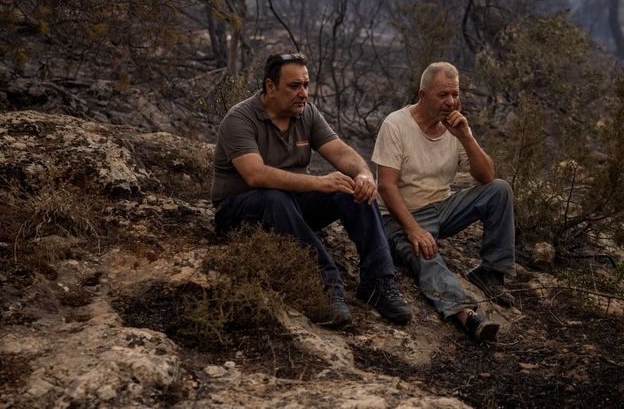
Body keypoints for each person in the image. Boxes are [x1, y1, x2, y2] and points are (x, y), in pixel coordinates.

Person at [211, 50, 412, 328]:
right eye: (294, 86)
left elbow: (341, 153)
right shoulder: (240, 119)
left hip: (290, 208)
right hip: (239, 212)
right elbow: (255, 175)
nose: (303, 93)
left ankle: (378, 282)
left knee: (349, 188)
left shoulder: (305, 113)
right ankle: (326, 288)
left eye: (306, 84)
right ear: (271, 86)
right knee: (274, 197)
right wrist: (318, 182)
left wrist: (364, 174)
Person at [372, 61, 516, 343]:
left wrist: (465, 136)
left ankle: (491, 273)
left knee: (500, 190)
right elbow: (386, 186)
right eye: (443, 95)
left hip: (442, 208)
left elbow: (486, 176)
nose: (451, 102)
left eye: (455, 94)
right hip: (400, 216)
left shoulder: (455, 126)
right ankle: (466, 314)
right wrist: (413, 229)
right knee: (426, 255)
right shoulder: (396, 125)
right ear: (423, 95)